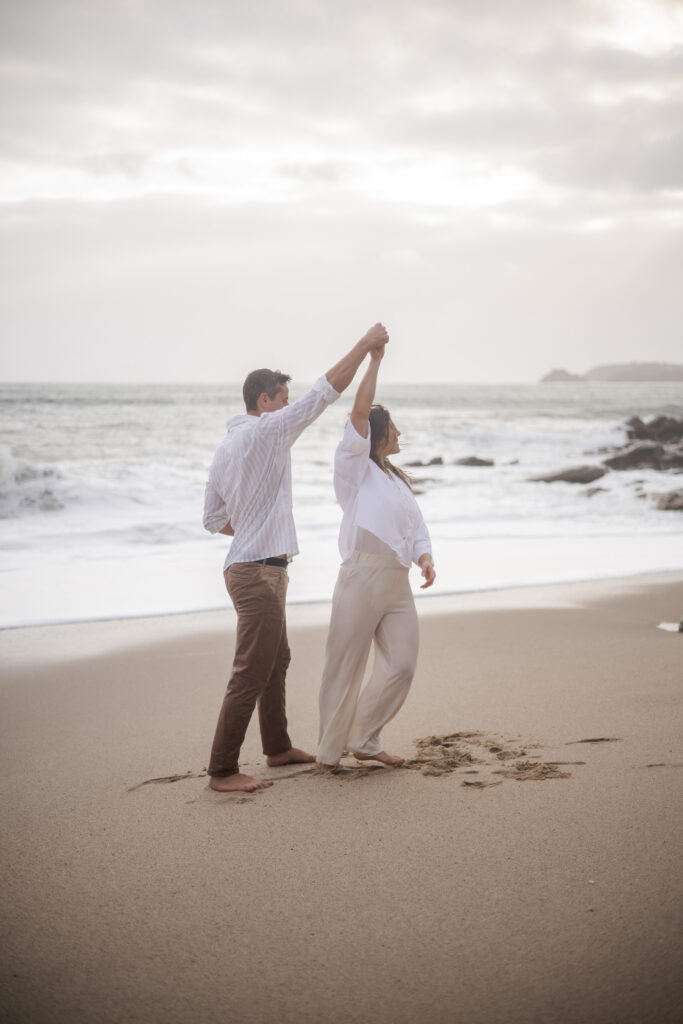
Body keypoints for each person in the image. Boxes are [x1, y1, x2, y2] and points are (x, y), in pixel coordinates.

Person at [203, 322, 389, 793]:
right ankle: (222, 769)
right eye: (282, 399)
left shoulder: (225, 448)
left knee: (276, 660)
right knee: (251, 670)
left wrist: (247, 527)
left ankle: (277, 747)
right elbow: (323, 394)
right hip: (259, 573)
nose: (287, 407)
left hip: (251, 567)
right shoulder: (267, 432)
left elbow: (212, 518)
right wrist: (366, 347)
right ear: (264, 401)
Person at [316, 343, 435, 770]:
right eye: (395, 429)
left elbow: (417, 527)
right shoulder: (355, 469)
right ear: (377, 433)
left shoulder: (397, 481)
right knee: (344, 666)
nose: (400, 435)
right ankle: (329, 752)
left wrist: (424, 557)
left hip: (398, 583)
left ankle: (364, 738)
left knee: (401, 664)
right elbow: (360, 411)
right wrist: (375, 358)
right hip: (362, 577)